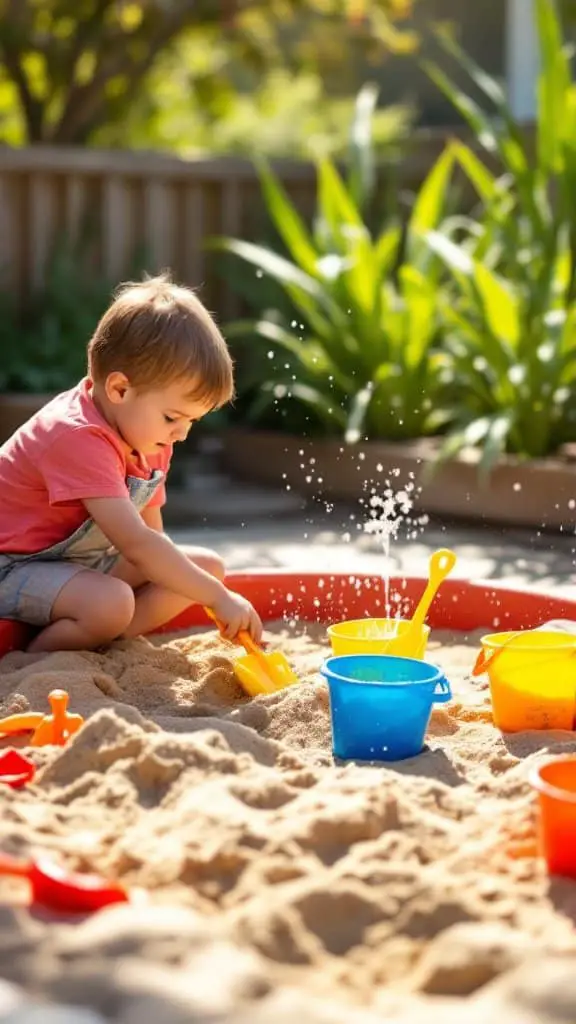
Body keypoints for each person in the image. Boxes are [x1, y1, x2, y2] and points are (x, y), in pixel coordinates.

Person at [0, 273, 263, 653]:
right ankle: (33, 659)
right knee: (112, 603)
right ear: (120, 389)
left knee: (207, 569)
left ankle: (107, 639)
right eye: (173, 417)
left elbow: (154, 540)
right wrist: (218, 598)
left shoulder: (148, 435)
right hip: (12, 564)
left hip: (75, 562)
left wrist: (210, 588)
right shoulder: (77, 435)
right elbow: (136, 545)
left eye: (192, 421)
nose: (182, 434)